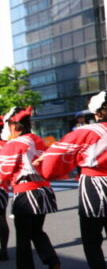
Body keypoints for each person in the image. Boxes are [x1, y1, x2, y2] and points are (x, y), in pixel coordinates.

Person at [38, 91, 107, 269]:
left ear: (96, 111)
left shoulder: (85, 131)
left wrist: (44, 161)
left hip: (92, 186)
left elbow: (59, 152)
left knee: (91, 240)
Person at [0, 107, 59, 269]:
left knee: (23, 238)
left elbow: (4, 170)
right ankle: (52, 260)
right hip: (43, 191)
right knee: (36, 231)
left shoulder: (14, 144)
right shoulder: (39, 140)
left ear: (14, 126)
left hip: (26, 192)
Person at [0, 116, 9, 261]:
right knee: (1, 218)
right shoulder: (6, 144)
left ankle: (3, 250)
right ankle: (4, 250)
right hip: (3, 187)